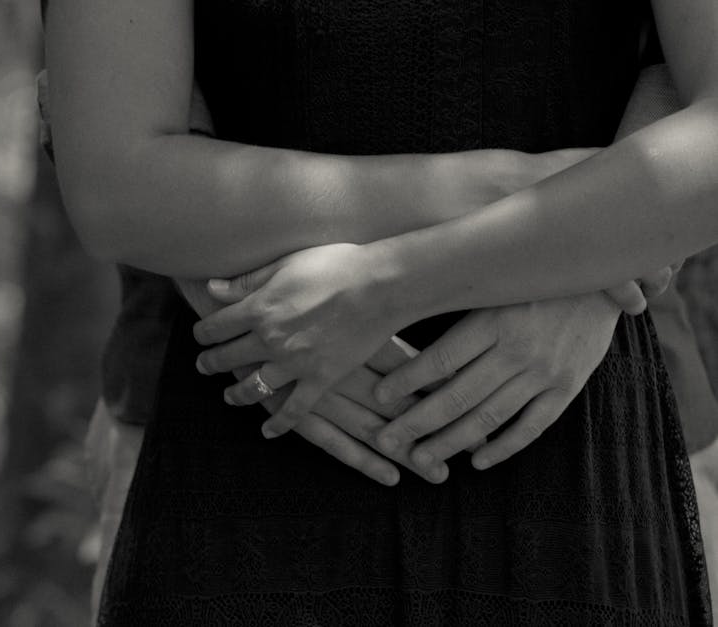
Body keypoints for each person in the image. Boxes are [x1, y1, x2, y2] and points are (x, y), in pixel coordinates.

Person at [45, 0, 717, 623]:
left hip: (575, 420)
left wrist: (388, 287)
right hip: (250, 423)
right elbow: (115, 172)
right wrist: (512, 190)